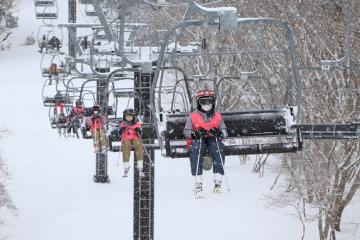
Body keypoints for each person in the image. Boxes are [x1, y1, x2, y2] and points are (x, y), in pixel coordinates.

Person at [183, 90, 227, 197]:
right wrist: (195, 134)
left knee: (218, 148)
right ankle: (198, 183)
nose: (207, 105)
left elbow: (224, 131)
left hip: (213, 139)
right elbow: (186, 131)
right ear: (199, 103)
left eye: (209, 101)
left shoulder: (217, 116)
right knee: (196, 149)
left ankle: (218, 181)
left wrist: (219, 133)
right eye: (204, 102)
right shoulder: (193, 116)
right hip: (199, 139)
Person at [119, 109, 144, 178]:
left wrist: (138, 130)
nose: (128, 118)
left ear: (133, 116)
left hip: (135, 137)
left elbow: (140, 130)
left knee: (138, 144)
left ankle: (140, 164)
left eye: (130, 116)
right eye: (127, 116)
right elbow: (120, 130)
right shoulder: (123, 124)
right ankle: (126, 165)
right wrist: (121, 131)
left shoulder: (136, 123)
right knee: (126, 145)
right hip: (126, 138)